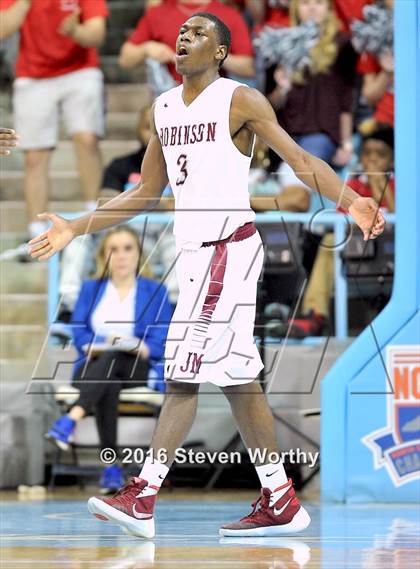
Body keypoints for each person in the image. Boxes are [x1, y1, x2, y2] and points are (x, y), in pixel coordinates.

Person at [29, 12, 384, 538]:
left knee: (182, 371)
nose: (183, 38)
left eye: (198, 34)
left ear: (220, 51)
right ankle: (281, 497)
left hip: (229, 249)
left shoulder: (239, 100)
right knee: (239, 381)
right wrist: (76, 228)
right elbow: (147, 194)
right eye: (181, 33)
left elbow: (300, 158)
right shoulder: (165, 108)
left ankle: (143, 494)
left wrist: (351, 199)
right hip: (195, 256)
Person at [46, 225, 173, 494]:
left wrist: (138, 345)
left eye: (128, 248)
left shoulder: (155, 291)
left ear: (139, 254)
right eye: (113, 249)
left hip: (137, 365)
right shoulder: (91, 289)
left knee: (115, 357)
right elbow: (78, 329)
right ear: (103, 256)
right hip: (94, 365)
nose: (121, 256)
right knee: (108, 381)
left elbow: (161, 338)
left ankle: (72, 418)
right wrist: (89, 345)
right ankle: (111, 468)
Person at [56, 105, 178, 324]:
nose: (151, 134)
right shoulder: (120, 165)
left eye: (157, 129)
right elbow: (106, 201)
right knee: (77, 236)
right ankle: (69, 305)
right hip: (118, 234)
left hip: (155, 241)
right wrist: (160, 202)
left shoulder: (180, 165)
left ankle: (174, 305)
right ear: (137, 131)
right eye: (146, 128)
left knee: (177, 235)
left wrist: (139, 200)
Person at [0, 0, 108, 245]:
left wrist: (76, 31)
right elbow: (3, 28)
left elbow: (97, 33)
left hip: (80, 69)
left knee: (87, 139)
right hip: (33, 73)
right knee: (34, 156)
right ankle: (36, 231)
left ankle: (94, 219)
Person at [286, 127, 394, 337]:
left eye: (380, 155)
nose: (372, 159)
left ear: (391, 161)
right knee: (330, 240)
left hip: (392, 250)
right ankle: (314, 314)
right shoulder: (353, 184)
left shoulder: (400, 183)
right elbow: (339, 218)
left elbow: (398, 218)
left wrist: (379, 183)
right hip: (356, 246)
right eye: (367, 153)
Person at [119, 0, 255, 83]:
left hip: (212, 96)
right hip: (168, 94)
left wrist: (210, 54)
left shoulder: (228, 14)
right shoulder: (157, 13)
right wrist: (146, 48)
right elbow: (125, 59)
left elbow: (248, 67)